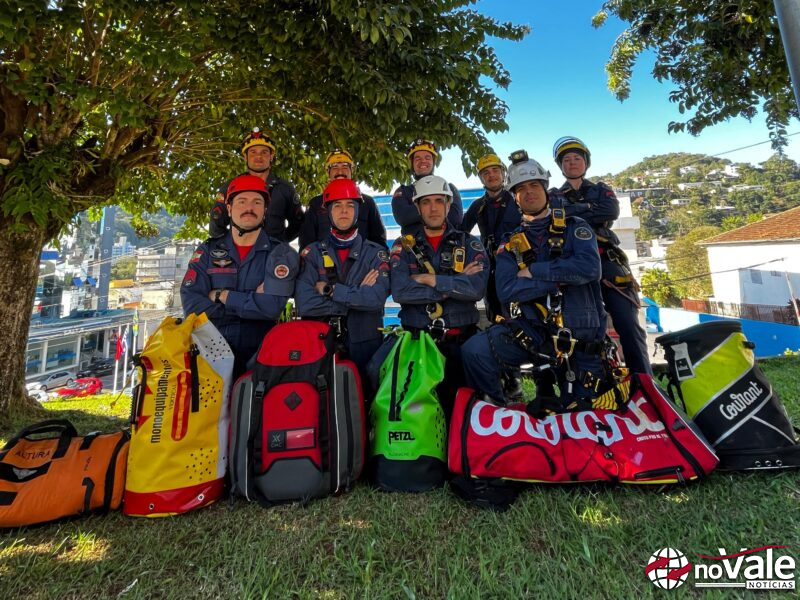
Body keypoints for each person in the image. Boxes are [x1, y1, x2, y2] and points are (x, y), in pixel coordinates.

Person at [462, 151, 607, 410]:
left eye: (534, 185)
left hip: (580, 335)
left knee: (581, 413)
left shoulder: (576, 228)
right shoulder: (509, 243)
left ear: (545, 189)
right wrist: (563, 278)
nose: (528, 192)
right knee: (475, 350)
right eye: (521, 189)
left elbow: (589, 269)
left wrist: (534, 271)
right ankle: (496, 411)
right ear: (514, 197)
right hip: (532, 333)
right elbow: (507, 289)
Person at [389, 175, 488, 419]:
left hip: (461, 345)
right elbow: (401, 291)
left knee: (465, 416)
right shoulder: (403, 246)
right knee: (417, 417)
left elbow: (476, 290)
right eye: (426, 202)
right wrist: (456, 283)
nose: (433, 208)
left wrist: (431, 279)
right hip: (417, 346)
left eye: (439, 201)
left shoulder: (469, 244)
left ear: (448, 204)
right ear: (417, 207)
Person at [552, 136, 652, 375]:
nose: (572, 163)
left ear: (586, 163)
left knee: (628, 325)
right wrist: (589, 208)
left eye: (577, 158)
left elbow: (610, 211)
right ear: (561, 165)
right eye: (567, 160)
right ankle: (595, 381)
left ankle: (643, 380)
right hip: (575, 266)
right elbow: (555, 218)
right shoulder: (553, 195)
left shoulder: (601, 189)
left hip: (608, 263)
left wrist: (572, 212)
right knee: (585, 330)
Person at [183, 174, 299, 377]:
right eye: (242, 201)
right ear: (229, 209)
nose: (249, 208)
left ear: (265, 210)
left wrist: (221, 295)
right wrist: (251, 302)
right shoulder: (207, 251)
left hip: (261, 354)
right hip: (210, 351)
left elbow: (270, 308)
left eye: (257, 202)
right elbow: (192, 305)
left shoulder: (281, 254)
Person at [295, 178, 390, 389]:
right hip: (321, 344)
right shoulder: (311, 254)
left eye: (350, 205)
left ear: (358, 211)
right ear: (328, 212)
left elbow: (375, 299)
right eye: (337, 205)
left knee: (365, 400)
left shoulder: (376, 254)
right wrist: (357, 297)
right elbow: (305, 304)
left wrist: (329, 290)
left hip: (365, 347)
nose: (344, 211)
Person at [209, 127, 304, 243]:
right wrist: (230, 248)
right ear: (245, 157)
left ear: (271, 156)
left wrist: (279, 243)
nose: (258, 157)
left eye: (264, 152)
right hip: (240, 252)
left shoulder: (285, 188)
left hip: (274, 252)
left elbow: (298, 224)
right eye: (253, 152)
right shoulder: (230, 186)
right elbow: (216, 224)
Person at [459, 153, 522, 323]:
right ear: (481, 178)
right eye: (486, 173)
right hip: (490, 268)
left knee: (520, 315)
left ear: (503, 173)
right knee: (495, 315)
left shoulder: (518, 201)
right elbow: (461, 233)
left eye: (495, 170)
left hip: (517, 266)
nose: (491, 175)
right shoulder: (478, 206)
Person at [298, 149, 387, 249]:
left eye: (345, 167)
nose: (340, 171)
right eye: (335, 167)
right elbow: (306, 244)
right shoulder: (315, 204)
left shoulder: (367, 202)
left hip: (363, 259)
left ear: (351, 171)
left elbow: (379, 241)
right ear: (328, 172)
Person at [391, 139, 463, 234]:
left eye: (427, 158)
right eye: (417, 159)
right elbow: (403, 217)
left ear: (433, 162)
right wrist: (440, 210)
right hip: (413, 243)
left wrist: (416, 215)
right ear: (412, 164)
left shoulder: (449, 188)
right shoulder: (403, 191)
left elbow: (455, 217)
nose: (423, 161)